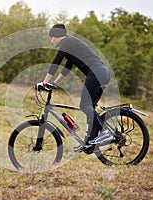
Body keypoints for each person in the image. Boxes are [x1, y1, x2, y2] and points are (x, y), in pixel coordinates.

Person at [43, 23, 113, 152]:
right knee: (89, 108)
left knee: (84, 105)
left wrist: (45, 82)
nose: (51, 40)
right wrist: (55, 84)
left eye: (52, 37)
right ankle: (89, 143)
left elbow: (56, 61)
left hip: (96, 72)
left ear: (59, 36)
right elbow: (67, 68)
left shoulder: (66, 42)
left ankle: (105, 131)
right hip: (102, 72)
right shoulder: (71, 45)